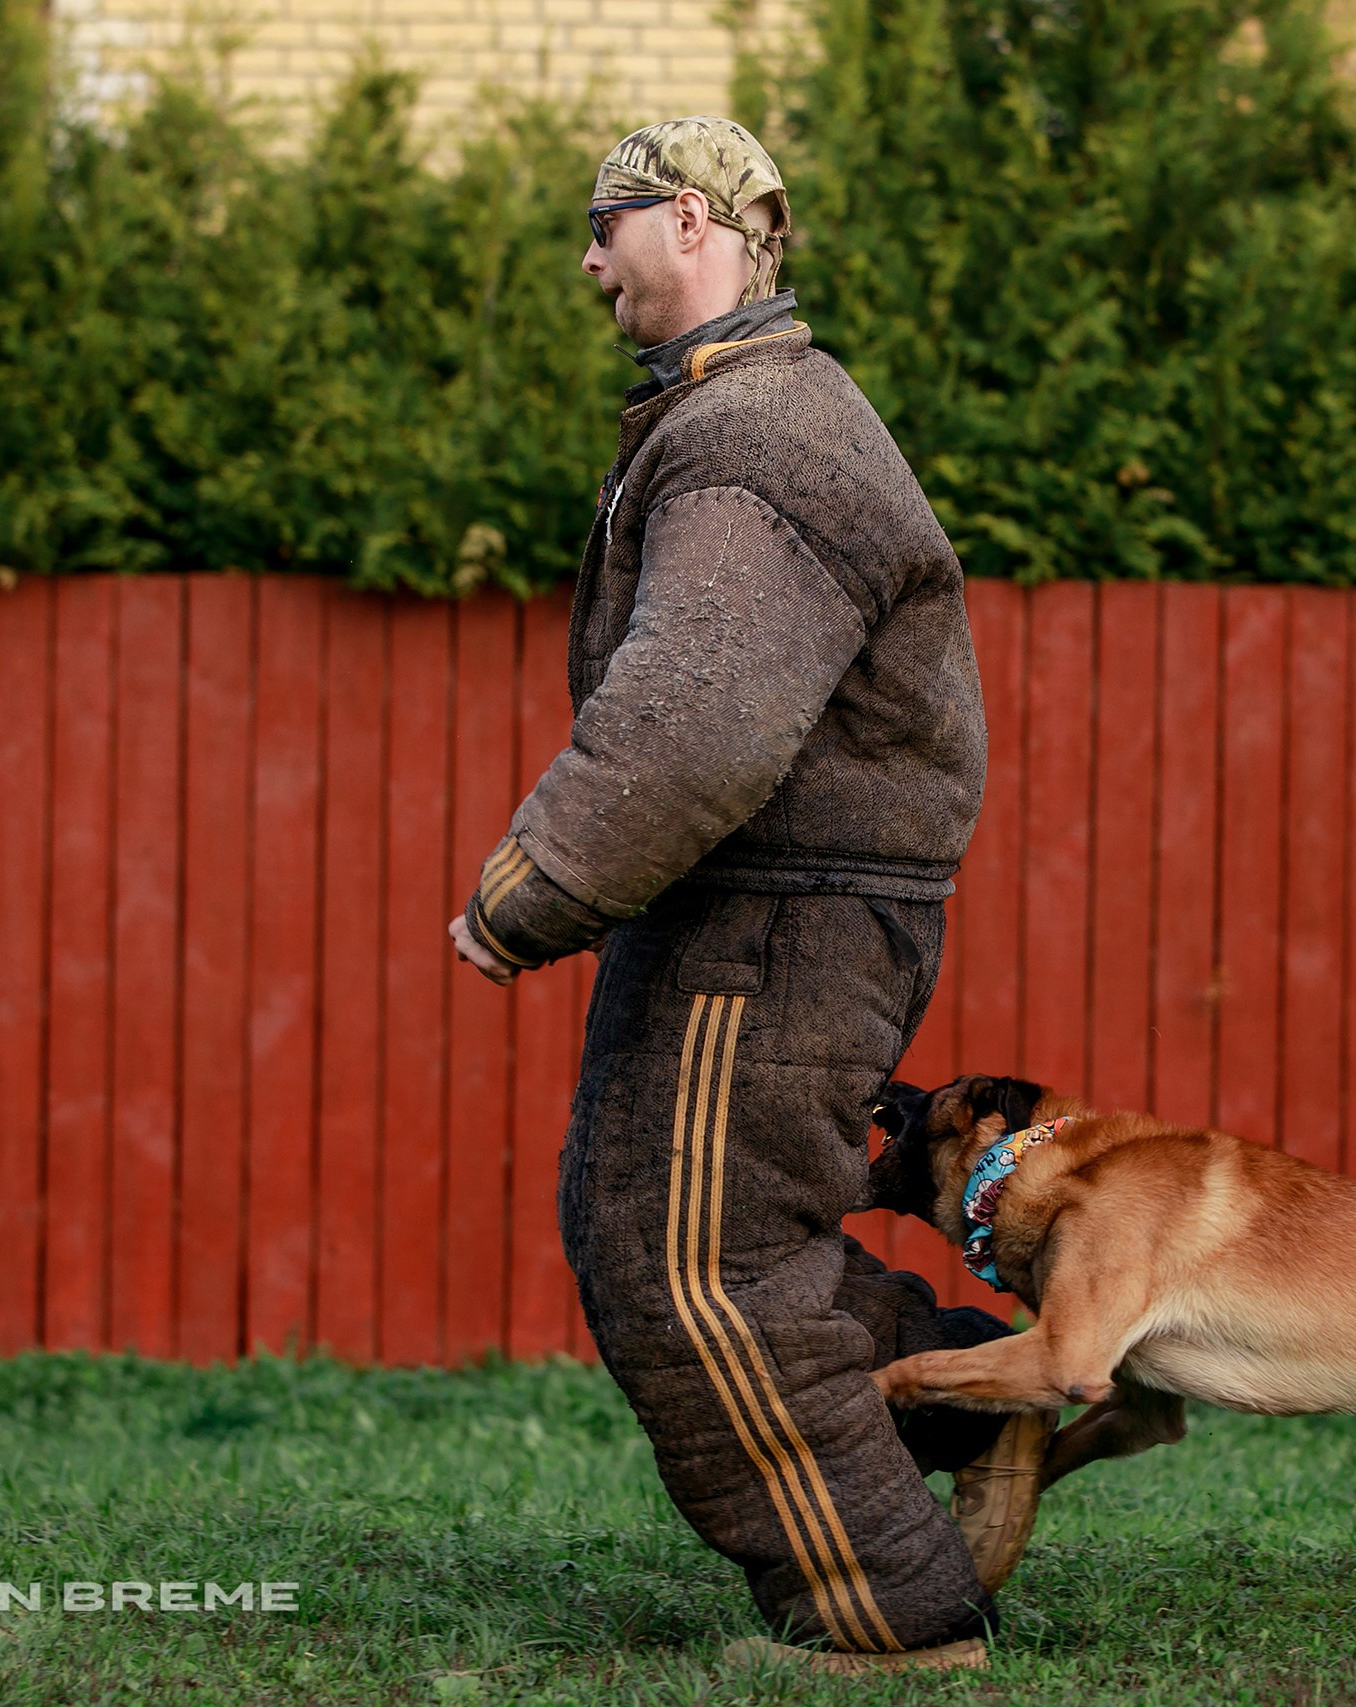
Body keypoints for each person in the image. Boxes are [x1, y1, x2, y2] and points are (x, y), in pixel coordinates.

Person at [447, 115, 1049, 1674]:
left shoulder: (759, 434)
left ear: (699, 221)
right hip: (766, 909)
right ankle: (1006, 1402)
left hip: (778, 919)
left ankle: (883, 1617)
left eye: (608, 223)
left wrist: (539, 883)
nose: (590, 259)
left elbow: (697, 710)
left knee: (694, 1266)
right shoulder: (750, 416)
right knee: (691, 1236)